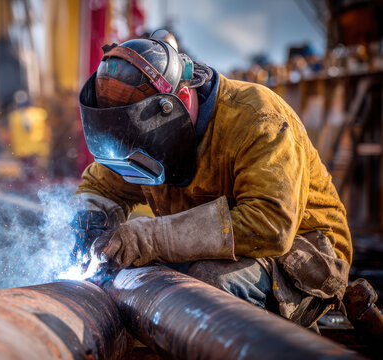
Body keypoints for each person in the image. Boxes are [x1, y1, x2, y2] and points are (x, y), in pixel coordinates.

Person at [71, 31, 351, 328]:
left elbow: (271, 224)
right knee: (132, 275)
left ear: (178, 101)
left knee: (204, 287)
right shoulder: (146, 131)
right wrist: (89, 221)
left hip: (302, 256)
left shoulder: (258, 117)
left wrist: (150, 237)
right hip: (216, 250)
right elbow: (101, 185)